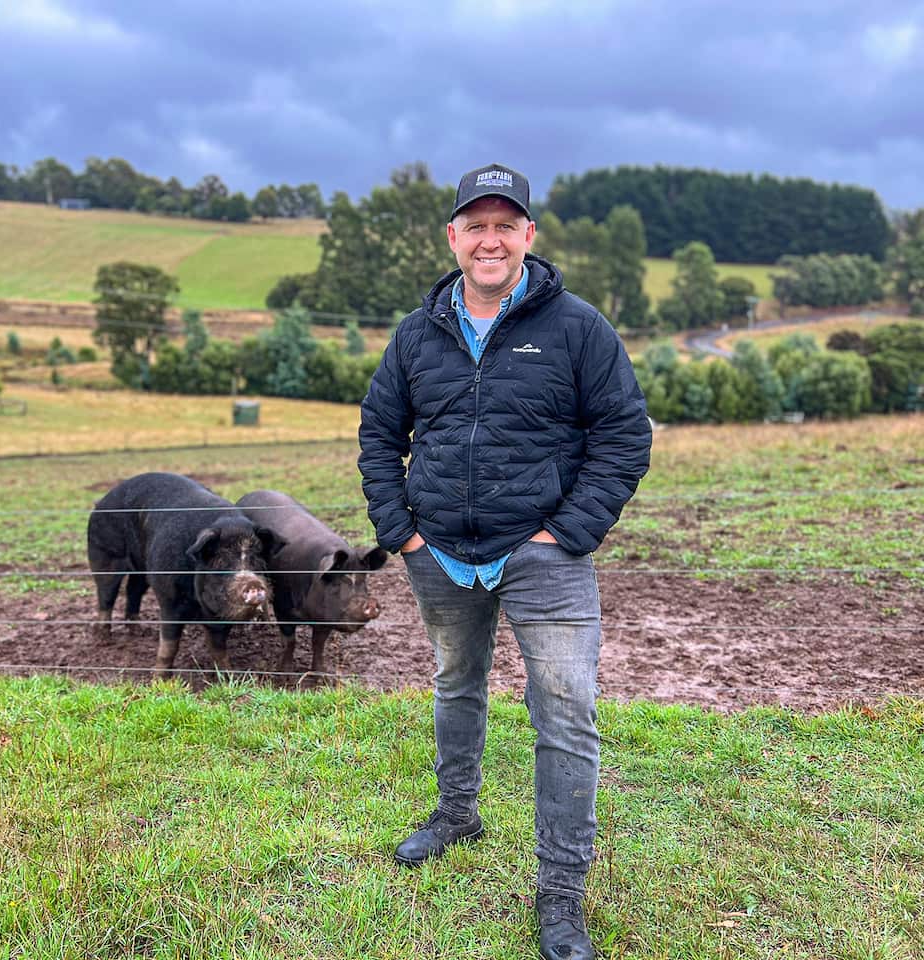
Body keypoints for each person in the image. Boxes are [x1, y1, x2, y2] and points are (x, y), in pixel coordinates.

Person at [358, 162, 651, 960]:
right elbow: (380, 433)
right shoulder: (417, 333)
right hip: (440, 552)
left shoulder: (578, 327)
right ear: (452, 237)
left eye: (505, 223)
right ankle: (457, 814)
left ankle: (561, 896)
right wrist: (401, 532)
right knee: (457, 681)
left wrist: (567, 533)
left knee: (565, 713)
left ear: (529, 235)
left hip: (543, 553)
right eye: (474, 224)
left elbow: (625, 436)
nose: (490, 238)